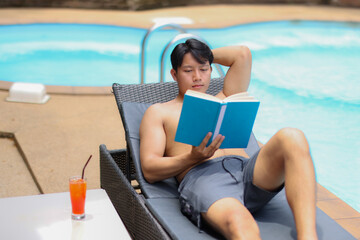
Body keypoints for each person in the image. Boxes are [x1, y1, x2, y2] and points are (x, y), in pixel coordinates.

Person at [139, 38, 318, 240]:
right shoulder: (159, 112)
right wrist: (191, 158)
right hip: (206, 181)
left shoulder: (225, 97)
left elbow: (242, 54)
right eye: (188, 71)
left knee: (292, 136)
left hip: (247, 171)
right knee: (241, 222)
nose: (197, 77)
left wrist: (201, 54)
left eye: (204, 69)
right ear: (174, 74)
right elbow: (149, 169)